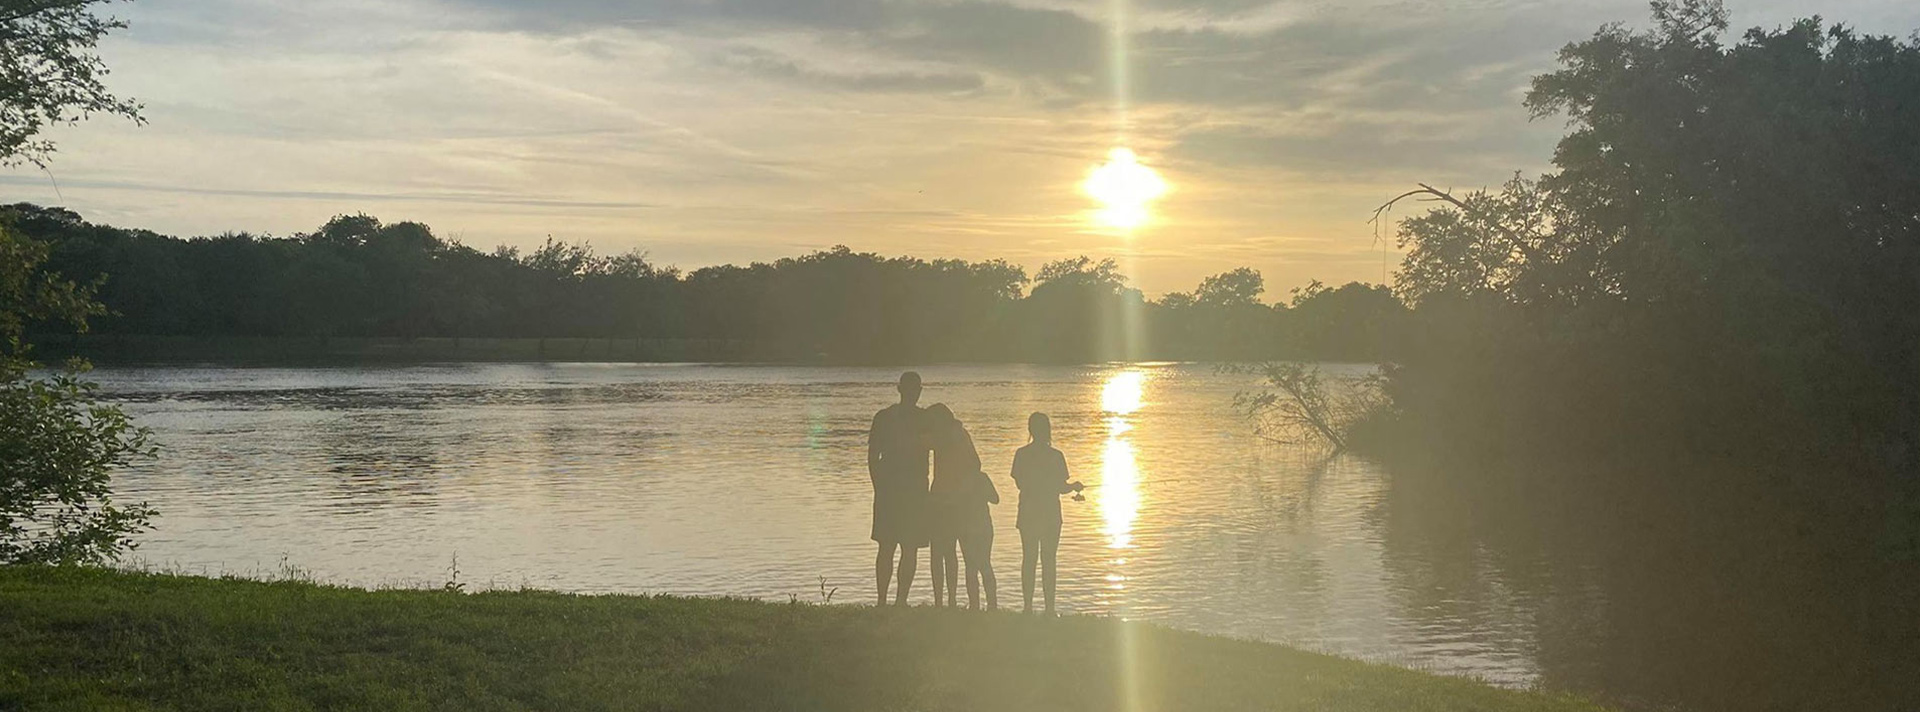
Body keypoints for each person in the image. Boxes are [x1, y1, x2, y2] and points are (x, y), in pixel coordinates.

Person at [925, 403, 996, 609]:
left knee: (943, 553)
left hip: (947, 502)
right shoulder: (958, 433)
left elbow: (975, 465)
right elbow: (976, 464)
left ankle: (947, 601)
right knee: (950, 554)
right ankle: (949, 601)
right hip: (950, 501)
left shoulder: (950, 435)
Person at [1010, 412, 1082, 614]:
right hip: (1050, 514)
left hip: (1028, 512)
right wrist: (1075, 486)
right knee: (1049, 559)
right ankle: (1049, 609)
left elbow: (1019, 483)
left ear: (1030, 430)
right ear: (1047, 430)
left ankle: (1027, 607)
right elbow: (1061, 487)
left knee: (1029, 558)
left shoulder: (1021, 454)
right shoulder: (1056, 456)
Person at [868, 372, 929, 606]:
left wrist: (878, 485)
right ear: (903, 390)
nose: (915, 393)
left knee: (901, 546)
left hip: (903, 490)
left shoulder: (922, 419)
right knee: (893, 546)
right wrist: (878, 486)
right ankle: (888, 600)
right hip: (898, 490)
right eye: (914, 389)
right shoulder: (887, 417)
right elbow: (873, 455)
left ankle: (895, 600)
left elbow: (873, 457)